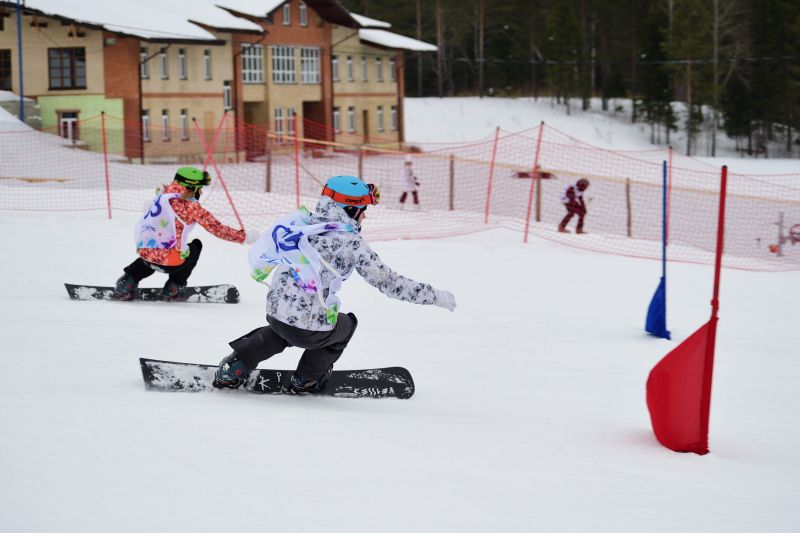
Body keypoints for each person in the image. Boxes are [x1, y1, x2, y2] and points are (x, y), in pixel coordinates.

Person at [214, 175, 456, 394]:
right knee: (345, 326)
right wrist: (435, 296)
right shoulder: (351, 243)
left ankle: (236, 364)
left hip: (276, 314)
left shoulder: (300, 223)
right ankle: (306, 379)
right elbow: (389, 283)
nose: (365, 216)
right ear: (350, 209)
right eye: (363, 210)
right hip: (307, 328)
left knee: (284, 331)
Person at [114, 166, 258, 300]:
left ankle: (127, 281)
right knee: (195, 246)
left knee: (153, 253)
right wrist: (245, 237)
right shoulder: (191, 207)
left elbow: (149, 205)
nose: (200, 192)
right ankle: (174, 286)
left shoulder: (161, 197)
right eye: (199, 188)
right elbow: (218, 229)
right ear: (192, 188)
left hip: (145, 255)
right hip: (171, 263)